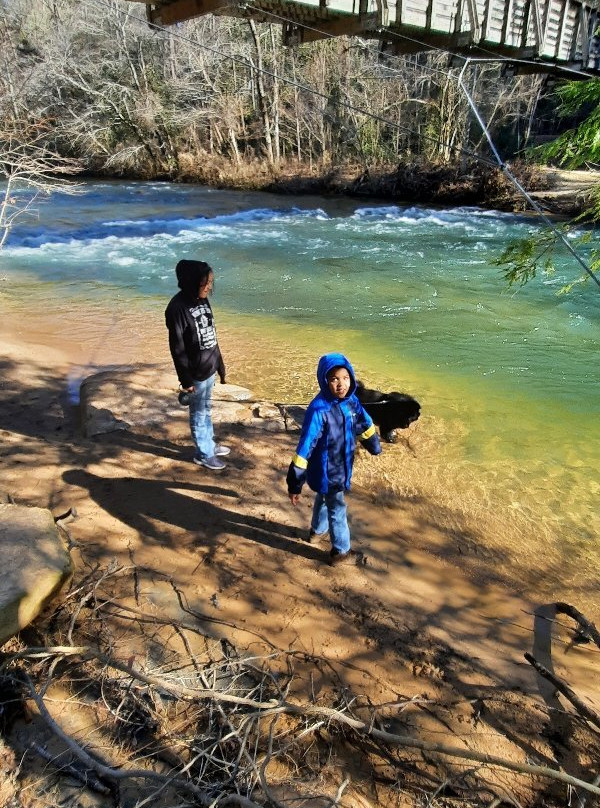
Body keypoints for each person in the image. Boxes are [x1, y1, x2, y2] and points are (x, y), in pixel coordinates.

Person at [286, 353, 382, 565]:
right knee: (337, 509)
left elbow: (364, 423)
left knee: (324, 498)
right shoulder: (319, 409)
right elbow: (305, 448)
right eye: (334, 379)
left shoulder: (352, 401)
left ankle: (316, 532)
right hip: (327, 469)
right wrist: (295, 483)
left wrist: (373, 445)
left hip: (342, 465)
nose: (341, 384)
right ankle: (341, 551)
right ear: (324, 380)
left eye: (345, 378)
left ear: (352, 378)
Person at [165, 259, 230, 471]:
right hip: (195, 374)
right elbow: (177, 348)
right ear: (191, 282)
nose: (209, 287)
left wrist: (219, 364)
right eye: (206, 283)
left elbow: (211, 333)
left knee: (206, 409)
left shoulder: (201, 300)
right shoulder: (177, 308)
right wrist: (185, 380)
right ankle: (203, 453)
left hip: (209, 367)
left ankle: (209, 443)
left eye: (211, 282)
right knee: (198, 413)